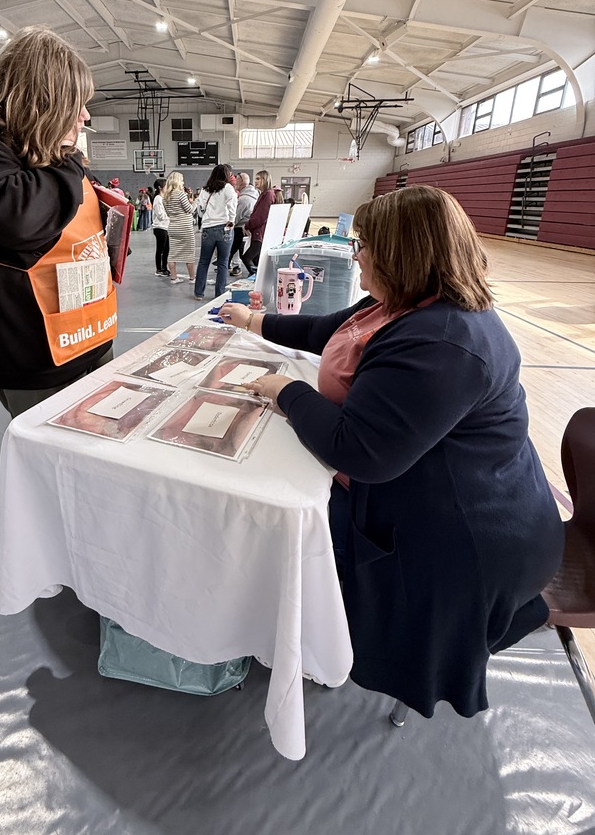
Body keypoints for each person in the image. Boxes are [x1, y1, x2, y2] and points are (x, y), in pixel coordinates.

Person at [218, 185, 564, 720]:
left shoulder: (440, 342)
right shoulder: (401, 306)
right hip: (438, 493)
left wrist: (285, 391)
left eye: (364, 245)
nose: (355, 255)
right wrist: (253, 322)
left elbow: (359, 451)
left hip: (467, 542)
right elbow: (325, 331)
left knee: (296, 529)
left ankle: (321, 637)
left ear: (401, 255)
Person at [0, 25, 116, 418]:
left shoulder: (42, 145)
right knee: (55, 444)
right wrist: (68, 158)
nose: (85, 116)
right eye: (75, 104)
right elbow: (21, 220)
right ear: (42, 101)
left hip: (88, 326)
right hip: (34, 346)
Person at [193, 163, 237, 300]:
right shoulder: (228, 188)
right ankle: (219, 294)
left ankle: (199, 293)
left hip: (208, 228)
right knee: (223, 262)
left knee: (203, 262)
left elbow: (200, 209)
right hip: (224, 228)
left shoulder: (205, 190)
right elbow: (232, 204)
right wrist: (232, 220)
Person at [162, 171, 196, 285]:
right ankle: (192, 278)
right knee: (189, 254)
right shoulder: (180, 194)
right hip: (185, 227)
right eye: (182, 180)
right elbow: (189, 210)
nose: (183, 182)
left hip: (173, 227)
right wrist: (195, 203)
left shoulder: (165, 197)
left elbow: (168, 213)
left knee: (172, 254)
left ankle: (174, 278)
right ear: (177, 181)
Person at [241, 169, 276, 277]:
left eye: (258, 179)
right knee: (256, 260)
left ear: (265, 180)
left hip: (259, 232)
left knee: (247, 257)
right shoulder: (264, 194)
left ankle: (256, 278)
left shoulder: (268, 194)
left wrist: (247, 225)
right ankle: (257, 278)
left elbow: (261, 216)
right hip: (258, 232)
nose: (255, 181)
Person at [228, 172, 258, 277]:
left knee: (243, 255)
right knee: (248, 256)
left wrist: (228, 225)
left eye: (236, 181)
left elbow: (236, 218)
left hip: (241, 229)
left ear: (241, 183)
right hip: (250, 229)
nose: (235, 183)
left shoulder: (244, 199)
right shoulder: (254, 195)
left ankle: (254, 274)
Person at [151, 177, 170, 277]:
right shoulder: (158, 198)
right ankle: (159, 269)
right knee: (161, 249)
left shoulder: (163, 198)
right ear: (160, 187)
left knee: (166, 249)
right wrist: (169, 216)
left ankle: (164, 267)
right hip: (160, 227)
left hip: (165, 227)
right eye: (166, 186)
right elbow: (160, 215)